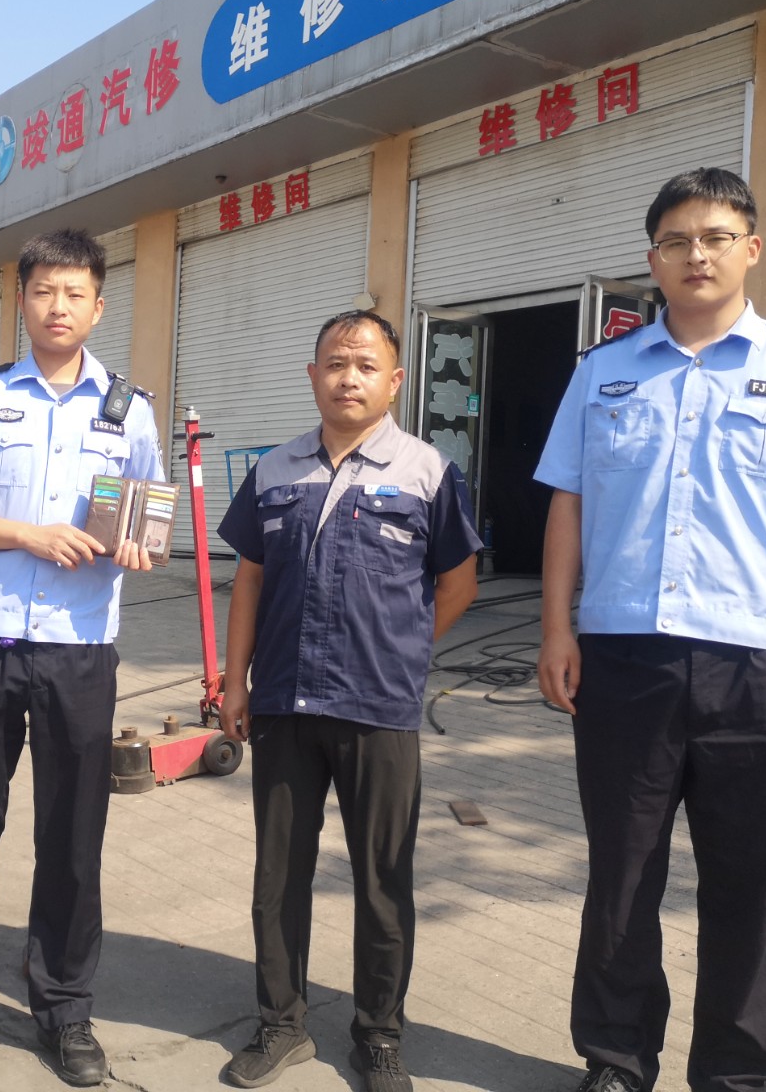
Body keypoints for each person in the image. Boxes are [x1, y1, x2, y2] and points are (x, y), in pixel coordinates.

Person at [534, 168, 766, 1092]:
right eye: (677, 241)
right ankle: (617, 1059)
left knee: (746, 881)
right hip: (624, 659)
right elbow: (568, 506)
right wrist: (556, 631)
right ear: (653, 258)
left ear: (752, 249)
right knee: (622, 876)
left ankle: (736, 1073)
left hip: (754, 667)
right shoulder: (602, 372)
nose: (696, 254)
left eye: (716, 237)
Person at [0, 228, 164, 1087]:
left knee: (73, 836)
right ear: (22, 300)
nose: (58, 307)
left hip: (80, 650)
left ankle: (64, 1011)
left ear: (99, 306)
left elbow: (146, 519)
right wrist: (26, 535)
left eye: (74, 293)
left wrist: (138, 545)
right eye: (44, 291)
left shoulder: (129, 410)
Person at [215, 310, 482, 1092]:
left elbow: (458, 582)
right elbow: (250, 581)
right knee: (278, 876)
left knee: (383, 880)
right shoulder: (274, 471)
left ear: (394, 381)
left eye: (366, 365)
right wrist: (235, 681)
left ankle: (380, 1035)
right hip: (284, 704)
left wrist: (403, 648)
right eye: (335, 363)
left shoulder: (428, 470)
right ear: (313, 376)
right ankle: (281, 1024)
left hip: (380, 708)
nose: (348, 377)